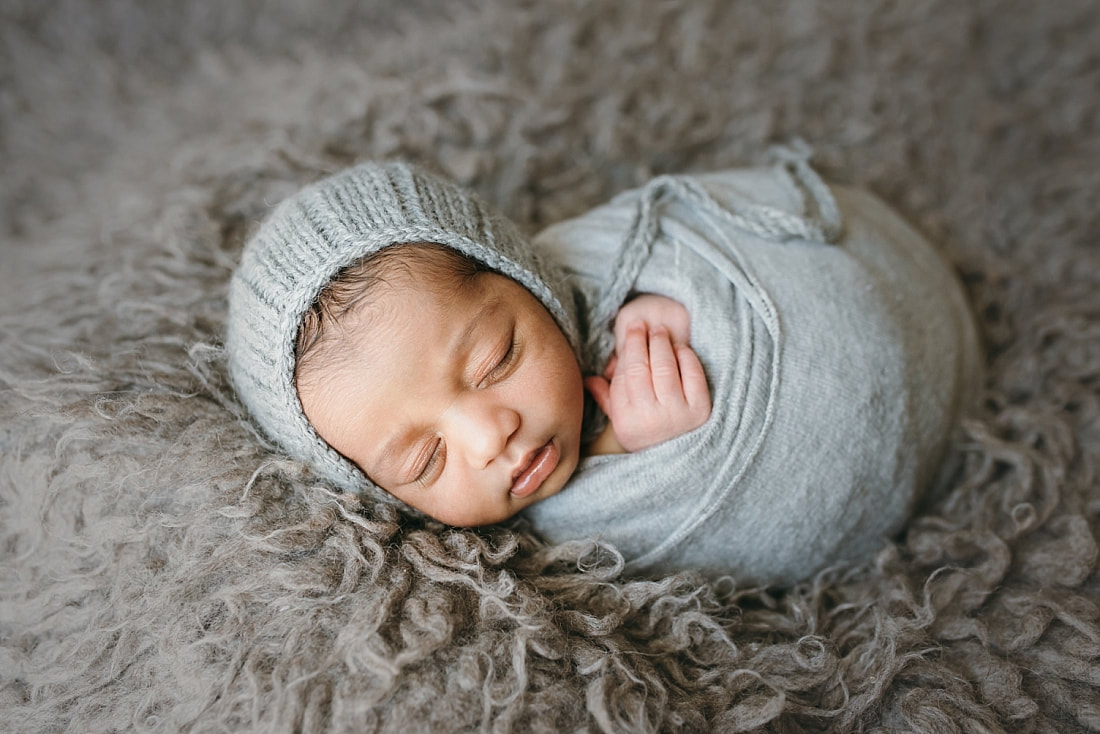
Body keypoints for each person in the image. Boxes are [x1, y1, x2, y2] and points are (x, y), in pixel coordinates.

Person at [226, 146, 981, 585]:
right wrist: (641, 445)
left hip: (865, 300)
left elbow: (668, 248)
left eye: (496, 359)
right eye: (425, 461)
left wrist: (662, 305)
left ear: (522, 272)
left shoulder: (604, 256)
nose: (492, 437)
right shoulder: (517, 568)